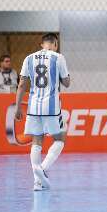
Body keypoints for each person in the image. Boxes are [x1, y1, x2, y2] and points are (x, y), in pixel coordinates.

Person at [15, 33, 70, 191]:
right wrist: (62, 77)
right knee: (60, 139)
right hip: (51, 107)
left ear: (42, 44)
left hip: (33, 106)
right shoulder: (58, 57)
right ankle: (43, 168)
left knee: (36, 141)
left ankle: (37, 182)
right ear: (55, 44)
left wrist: (18, 107)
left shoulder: (29, 58)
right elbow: (66, 83)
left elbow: (22, 84)